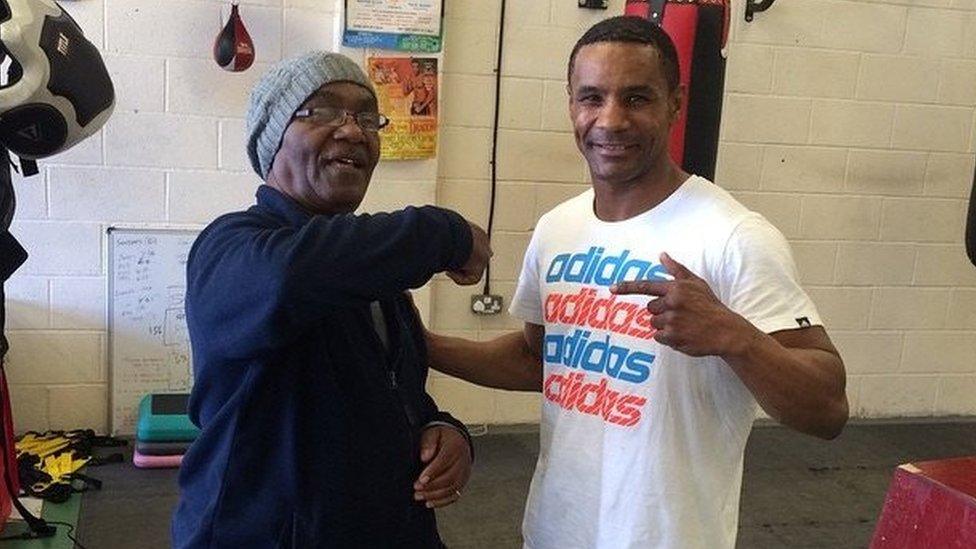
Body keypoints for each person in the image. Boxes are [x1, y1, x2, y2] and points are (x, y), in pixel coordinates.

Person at [426, 16, 849, 549]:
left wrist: (736, 338)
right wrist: (420, 345)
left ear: (675, 102)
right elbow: (542, 360)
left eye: (637, 98)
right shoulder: (558, 228)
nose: (611, 120)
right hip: (555, 531)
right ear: (571, 104)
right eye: (592, 97)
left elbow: (828, 408)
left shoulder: (732, 235)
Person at [171, 51, 491, 548]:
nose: (353, 130)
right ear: (273, 139)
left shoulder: (370, 271)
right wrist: (445, 231)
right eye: (321, 111)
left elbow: (392, 390)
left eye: (367, 116)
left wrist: (441, 427)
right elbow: (288, 281)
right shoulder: (230, 247)